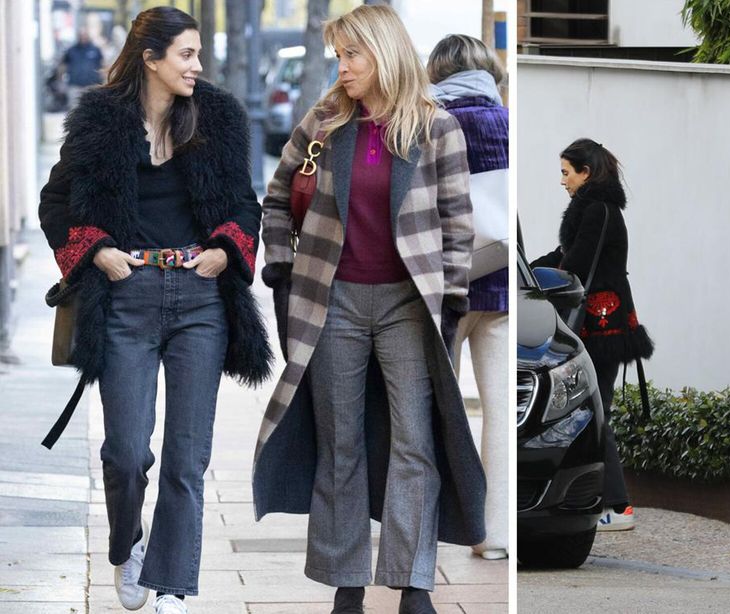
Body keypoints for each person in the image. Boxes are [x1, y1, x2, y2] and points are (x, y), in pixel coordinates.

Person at [253, 6, 485, 614]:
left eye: (351, 54)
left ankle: (413, 586)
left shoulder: (437, 129)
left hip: (410, 303)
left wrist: (453, 299)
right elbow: (276, 199)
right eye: (338, 55)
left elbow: (458, 226)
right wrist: (279, 263)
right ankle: (346, 583)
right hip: (335, 300)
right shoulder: (325, 123)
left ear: (382, 53)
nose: (342, 67)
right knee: (341, 441)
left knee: (414, 440)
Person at [38, 7, 271, 613]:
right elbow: (55, 203)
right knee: (125, 450)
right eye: (186, 54)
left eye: (198, 54)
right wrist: (98, 254)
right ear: (150, 58)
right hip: (127, 295)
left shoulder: (217, 117)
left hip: (200, 296)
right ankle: (127, 547)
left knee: (187, 456)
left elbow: (244, 206)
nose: (196, 66)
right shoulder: (100, 122)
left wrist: (226, 252)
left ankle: (171, 584)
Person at [530, 138, 654, 532]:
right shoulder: (596, 209)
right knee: (591, 410)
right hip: (606, 325)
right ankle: (613, 503)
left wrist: (536, 277)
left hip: (603, 326)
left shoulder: (597, 210)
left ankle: (618, 506)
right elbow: (566, 255)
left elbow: (574, 263)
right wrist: (527, 272)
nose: (562, 181)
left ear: (586, 173)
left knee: (592, 412)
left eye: (566, 172)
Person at [427, 34, 509, 561]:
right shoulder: (507, 122)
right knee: (501, 413)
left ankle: (431, 525)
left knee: (434, 408)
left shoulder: (431, 122)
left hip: (446, 286)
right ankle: (496, 536)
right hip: (500, 282)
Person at [61, 28, 104, 108]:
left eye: (84, 35)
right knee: (73, 109)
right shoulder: (71, 50)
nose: (83, 37)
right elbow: (63, 65)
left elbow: (102, 65)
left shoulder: (95, 49)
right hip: (74, 86)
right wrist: (61, 80)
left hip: (91, 86)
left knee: (91, 109)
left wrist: (102, 80)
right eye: (81, 35)